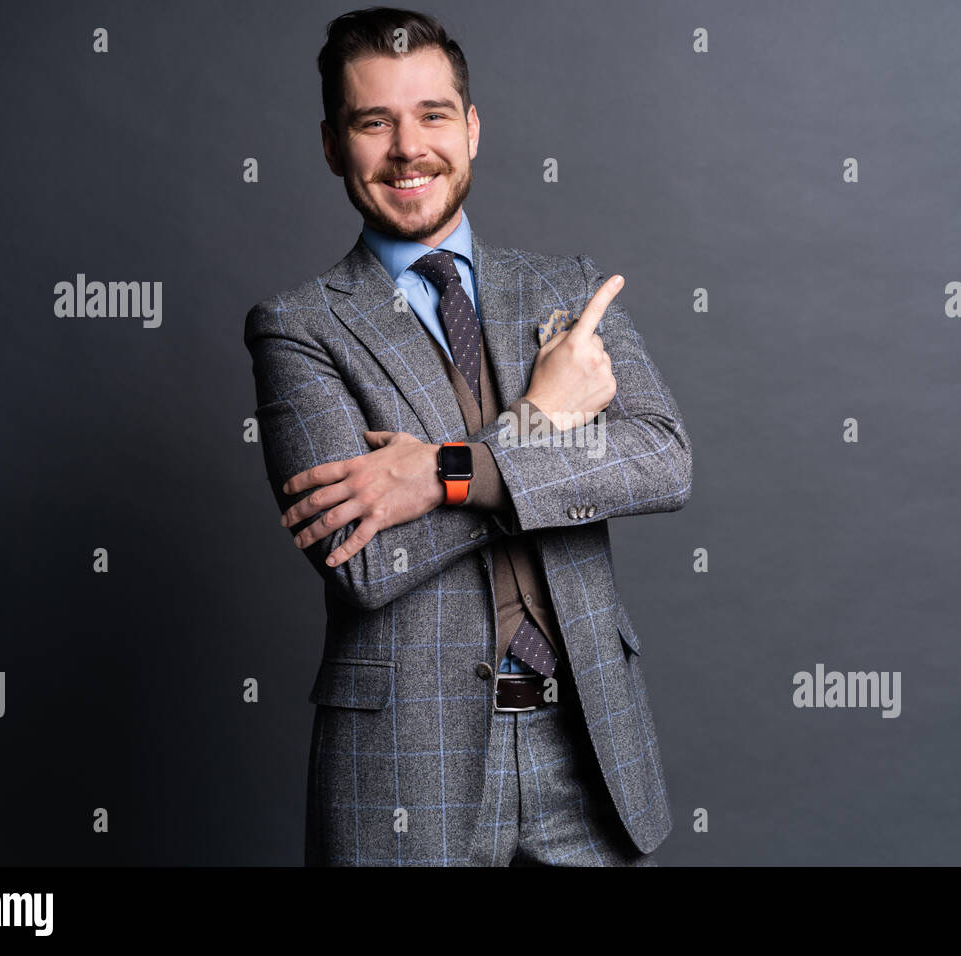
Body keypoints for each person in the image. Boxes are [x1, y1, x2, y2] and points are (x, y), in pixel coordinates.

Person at [243, 6, 693, 866]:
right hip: (404, 775)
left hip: (590, 753)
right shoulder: (298, 328)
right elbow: (363, 556)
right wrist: (537, 424)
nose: (408, 148)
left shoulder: (571, 292)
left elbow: (662, 461)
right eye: (374, 122)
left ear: (472, 129)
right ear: (335, 145)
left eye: (432, 115)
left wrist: (441, 473)